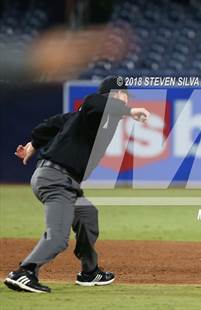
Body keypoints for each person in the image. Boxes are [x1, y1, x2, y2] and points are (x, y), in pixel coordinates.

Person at [4, 76, 150, 293]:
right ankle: (25, 272)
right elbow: (94, 103)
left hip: (67, 182)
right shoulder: (93, 108)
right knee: (58, 237)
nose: (125, 99)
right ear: (109, 96)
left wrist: (33, 145)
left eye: (126, 96)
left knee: (87, 215)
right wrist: (129, 111)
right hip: (55, 180)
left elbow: (52, 123)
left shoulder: (81, 119)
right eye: (121, 94)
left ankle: (90, 272)